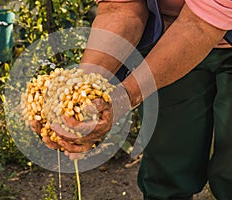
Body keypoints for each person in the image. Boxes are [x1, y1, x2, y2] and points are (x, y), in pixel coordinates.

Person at [32, 0, 232, 199]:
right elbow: (120, 7)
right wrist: (82, 92)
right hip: (170, 36)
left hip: (200, 27)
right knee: (167, 167)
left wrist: (122, 99)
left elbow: (200, 25)